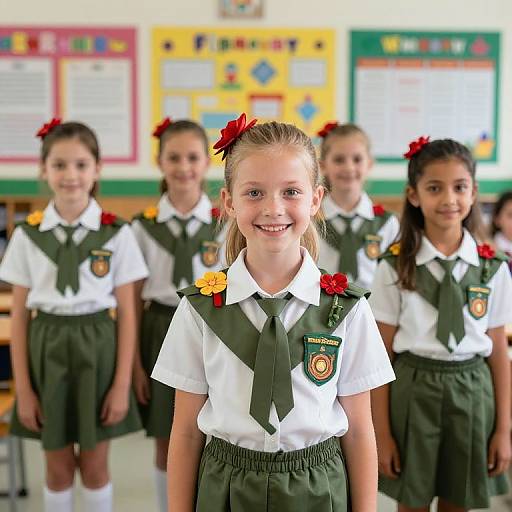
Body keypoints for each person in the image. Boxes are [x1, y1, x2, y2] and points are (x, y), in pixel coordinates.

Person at [151, 114, 395, 511]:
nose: (273, 208)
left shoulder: (346, 309)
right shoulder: (199, 308)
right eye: (254, 193)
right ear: (228, 201)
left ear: (316, 200)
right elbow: (185, 433)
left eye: (291, 192)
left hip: (318, 485)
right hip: (226, 484)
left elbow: (358, 432)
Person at [0, 119, 148, 512]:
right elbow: (17, 317)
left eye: (81, 165)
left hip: (98, 343)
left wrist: (120, 384)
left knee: (96, 466)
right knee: (57, 466)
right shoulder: (27, 236)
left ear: (97, 169)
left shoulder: (116, 233)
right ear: (43, 170)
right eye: (60, 165)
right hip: (45, 346)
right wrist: (24, 390)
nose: (71, 175)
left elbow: (128, 314)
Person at [370, 136, 512, 511]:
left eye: (459, 187)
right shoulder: (393, 266)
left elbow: (499, 352)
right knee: (411, 500)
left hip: (472, 390)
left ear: (474, 192)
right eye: (435, 188)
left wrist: (504, 429)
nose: (449, 199)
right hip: (413, 389)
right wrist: (380, 434)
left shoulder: (493, 268)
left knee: (458, 500)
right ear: (414, 195)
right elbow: (380, 354)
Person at [131, 118, 224, 512]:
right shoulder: (142, 227)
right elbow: (132, 302)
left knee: (215, 431)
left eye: (192, 157)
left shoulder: (225, 221)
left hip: (216, 330)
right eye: (174, 157)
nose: (183, 167)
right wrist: (136, 364)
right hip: (160, 328)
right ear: (159, 161)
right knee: (168, 437)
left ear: (206, 163)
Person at [316, 122, 399, 289]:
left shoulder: (386, 223)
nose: (349, 167)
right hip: (320, 310)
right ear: (323, 165)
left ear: (369, 164)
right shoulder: (311, 220)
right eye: (339, 160)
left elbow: (394, 277)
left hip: (373, 311)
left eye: (357, 159)